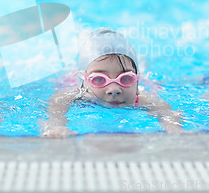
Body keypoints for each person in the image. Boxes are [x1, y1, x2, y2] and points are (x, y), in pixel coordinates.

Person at [42, 28, 182, 138]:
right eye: (99, 79)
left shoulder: (144, 99)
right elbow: (55, 107)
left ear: (137, 84)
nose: (114, 89)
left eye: (125, 78)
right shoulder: (77, 95)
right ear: (84, 84)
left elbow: (165, 113)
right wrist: (55, 127)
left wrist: (173, 127)